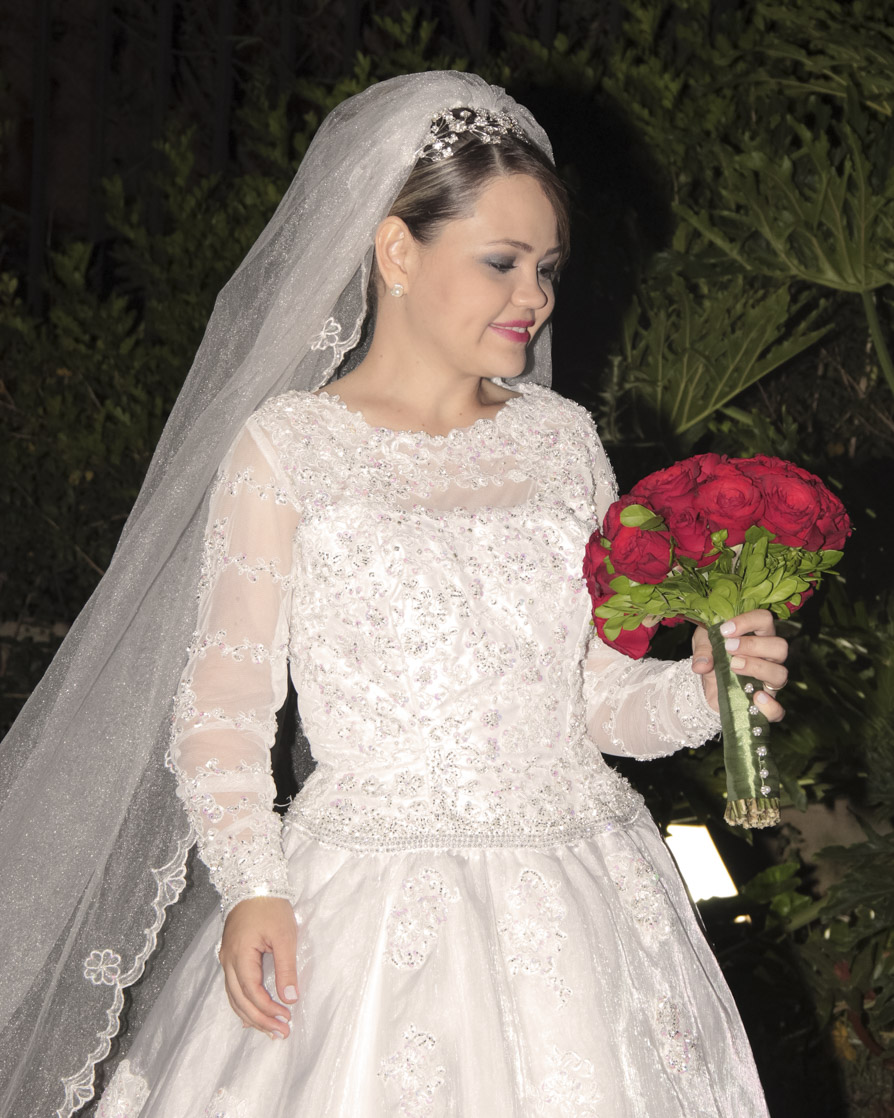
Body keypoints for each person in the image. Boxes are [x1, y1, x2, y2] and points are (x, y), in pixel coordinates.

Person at [0, 72, 788, 1117]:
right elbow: (224, 712)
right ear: (397, 252)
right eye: (502, 261)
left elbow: (596, 701)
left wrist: (700, 686)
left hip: (582, 894)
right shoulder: (289, 448)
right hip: (364, 910)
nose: (535, 297)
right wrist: (253, 886)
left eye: (547, 267)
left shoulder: (563, 443)